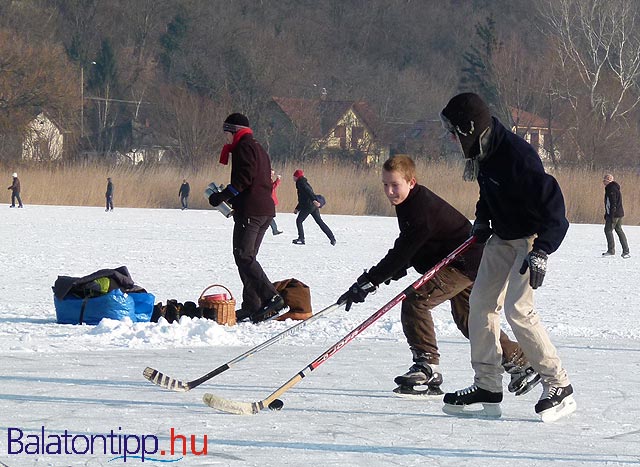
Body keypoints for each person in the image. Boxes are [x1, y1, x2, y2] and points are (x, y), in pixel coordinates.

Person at [337, 155, 539, 398]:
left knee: (416, 301)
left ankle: (427, 365)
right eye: (385, 185)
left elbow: (405, 249)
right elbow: (417, 248)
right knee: (470, 320)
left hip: (462, 262)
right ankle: (521, 362)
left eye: (395, 185)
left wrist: (370, 281)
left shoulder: (419, 206)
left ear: (411, 182)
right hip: (464, 263)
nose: (389, 191)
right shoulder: (409, 203)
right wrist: (380, 278)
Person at [440, 92, 575, 422]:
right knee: (481, 305)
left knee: (518, 308)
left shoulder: (518, 157)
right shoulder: (484, 151)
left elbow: (556, 211)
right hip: (501, 237)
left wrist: (542, 250)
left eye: (454, 131)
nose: (452, 137)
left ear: (470, 128)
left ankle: (559, 385)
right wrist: (482, 219)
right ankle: (487, 385)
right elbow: (489, 192)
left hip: (529, 239)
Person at [208, 113, 285, 323]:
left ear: (233, 131)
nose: (225, 138)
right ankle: (253, 305)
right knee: (247, 258)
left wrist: (222, 196)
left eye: (226, 133)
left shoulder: (243, 147)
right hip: (264, 210)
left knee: (243, 256)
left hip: (252, 211)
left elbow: (245, 178)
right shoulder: (258, 147)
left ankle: (272, 298)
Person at [292, 169, 336, 246]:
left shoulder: (301, 183)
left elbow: (309, 193)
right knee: (319, 221)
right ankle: (332, 238)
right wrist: (297, 208)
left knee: (299, 220)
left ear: (297, 177)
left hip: (309, 205)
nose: (293, 178)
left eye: (294, 176)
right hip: (311, 205)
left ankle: (301, 238)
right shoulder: (302, 183)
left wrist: (314, 200)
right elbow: (303, 198)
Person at [602, 173, 630, 259]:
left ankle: (611, 250)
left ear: (608, 181)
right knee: (619, 230)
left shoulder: (611, 189)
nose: (603, 182)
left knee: (608, 230)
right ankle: (626, 251)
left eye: (604, 180)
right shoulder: (613, 188)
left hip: (614, 215)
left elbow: (613, 203)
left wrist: (611, 215)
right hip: (619, 214)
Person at [270, 169, 283, 235]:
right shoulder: (266, 180)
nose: (272, 175)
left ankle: (275, 230)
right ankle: (274, 230)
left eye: (273, 173)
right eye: (271, 173)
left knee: (269, 216)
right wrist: (278, 180)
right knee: (269, 216)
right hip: (269, 201)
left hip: (272, 201)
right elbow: (272, 187)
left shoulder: (270, 180)